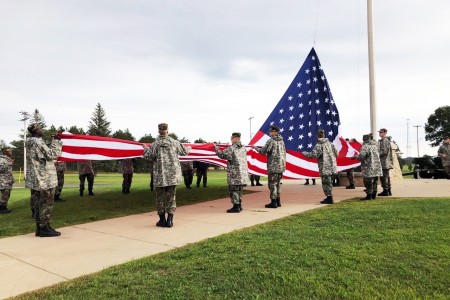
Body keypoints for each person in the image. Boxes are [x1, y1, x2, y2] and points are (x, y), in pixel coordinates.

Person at [143, 123, 190, 228]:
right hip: (173, 176)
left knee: (160, 199)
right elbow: (184, 152)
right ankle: (170, 221)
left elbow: (148, 156)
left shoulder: (155, 144)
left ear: (158, 131)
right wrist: (189, 147)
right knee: (171, 198)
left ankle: (162, 220)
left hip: (160, 176)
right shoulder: (174, 142)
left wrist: (145, 148)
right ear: (167, 130)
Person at [25, 123, 63, 237]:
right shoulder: (37, 142)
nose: (43, 130)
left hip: (37, 178)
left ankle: (42, 227)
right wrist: (56, 142)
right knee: (46, 202)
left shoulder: (30, 142)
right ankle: (43, 228)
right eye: (41, 129)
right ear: (36, 131)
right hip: (44, 178)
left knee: (39, 203)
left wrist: (50, 142)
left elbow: (43, 152)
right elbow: (52, 154)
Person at [214, 132, 249, 213]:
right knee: (240, 190)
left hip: (234, 174)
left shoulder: (232, 148)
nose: (231, 140)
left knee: (234, 190)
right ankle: (239, 205)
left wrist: (215, 147)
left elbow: (222, 155)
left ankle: (236, 206)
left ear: (236, 138)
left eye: (232, 138)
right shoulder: (243, 148)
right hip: (242, 174)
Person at [253, 125, 286, 208]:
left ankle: (273, 202)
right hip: (281, 166)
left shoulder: (271, 141)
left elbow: (263, 151)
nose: (269, 133)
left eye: (271, 131)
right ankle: (278, 201)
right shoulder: (282, 141)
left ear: (274, 132)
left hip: (273, 166)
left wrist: (255, 148)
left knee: (272, 184)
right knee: (278, 184)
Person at [302, 129, 338, 204]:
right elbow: (337, 154)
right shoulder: (331, 144)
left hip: (325, 168)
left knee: (326, 183)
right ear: (324, 135)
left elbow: (313, 155)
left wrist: (304, 153)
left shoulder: (319, 145)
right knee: (330, 183)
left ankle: (329, 198)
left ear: (317, 136)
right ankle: (329, 197)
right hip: (333, 167)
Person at [352, 134, 382, 200]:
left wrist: (355, 157)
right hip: (376, 167)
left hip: (368, 167)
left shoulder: (365, 146)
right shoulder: (375, 145)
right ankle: (374, 195)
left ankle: (369, 195)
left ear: (365, 139)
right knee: (375, 181)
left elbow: (361, 156)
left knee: (367, 181)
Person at [377, 128, 393, 196]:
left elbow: (384, 152)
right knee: (386, 177)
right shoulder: (382, 140)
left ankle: (385, 190)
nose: (380, 133)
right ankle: (388, 190)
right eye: (379, 132)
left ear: (385, 132)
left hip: (384, 162)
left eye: (381, 132)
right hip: (384, 162)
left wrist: (377, 154)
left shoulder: (385, 141)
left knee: (384, 177)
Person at [0, 147, 15, 214]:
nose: (11, 152)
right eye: (9, 151)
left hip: (7, 180)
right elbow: (1, 169)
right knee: (4, 195)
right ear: (5, 152)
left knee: (7, 195)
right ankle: (2, 208)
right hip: (3, 181)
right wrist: (8, 163)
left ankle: (4, 207)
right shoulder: (2, 160)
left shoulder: (7, 160)